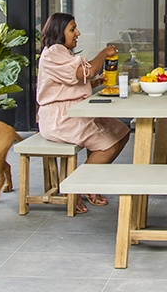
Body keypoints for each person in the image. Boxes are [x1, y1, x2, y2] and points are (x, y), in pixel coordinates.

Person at [36, 12, 130, 214]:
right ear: (58, 32)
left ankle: (89, 182)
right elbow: (84, 72)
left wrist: (94, 83)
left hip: (75, 112)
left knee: (121, 131)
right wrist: (103, 54)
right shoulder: (54, 52)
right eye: (72, 29)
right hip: (60, 118)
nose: (77, 33)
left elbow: (70, 81)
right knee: (109, 145)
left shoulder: (62, 52)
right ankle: (76, 188)